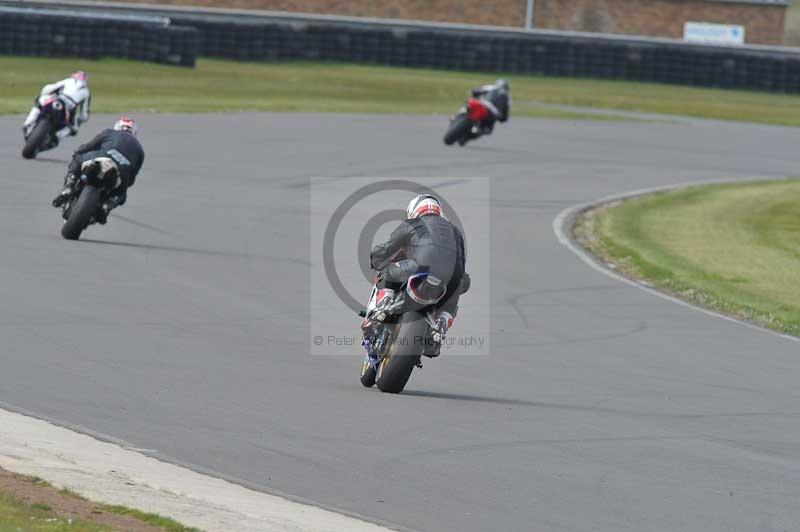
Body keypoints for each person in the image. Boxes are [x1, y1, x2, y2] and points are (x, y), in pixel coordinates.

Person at [363, 194, 469, 357]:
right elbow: (461, 263)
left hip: (421, 267)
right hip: (453, 275)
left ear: (414, 210)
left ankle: (383, 307)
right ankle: (440, 326)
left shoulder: (411, 224)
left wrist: (375, 258)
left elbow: (387, 250)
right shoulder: (456, 231)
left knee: (387, 271)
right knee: (451, 302)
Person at [52, 117, 144, 224]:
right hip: (121, 172)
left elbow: (89, 146)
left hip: (99, 158)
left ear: (117, 126)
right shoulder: (139, 150)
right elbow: (132, 178)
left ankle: (69, 185)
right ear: (134, 132)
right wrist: (123, 186)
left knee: (78, 157)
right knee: (121, 195)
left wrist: (78, 151)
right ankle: (107, 205)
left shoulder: (109, 132)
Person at [23, 71, 91, 143]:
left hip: (57, 101)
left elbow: (48, 89)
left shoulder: (67, 81)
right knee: (74, 129)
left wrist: (45, 95)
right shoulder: (86, 91)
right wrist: (80, 120)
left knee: (39, 103)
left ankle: (28, 123)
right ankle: (57, 136)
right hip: (67, 107)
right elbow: (84, 114)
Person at [461, 78, 510, 145]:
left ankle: (460, 119)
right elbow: (505, 115)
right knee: (487, 130)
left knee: (468, 105)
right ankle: (468, 136)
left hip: (482, 105)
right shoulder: (507, 98)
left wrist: (475, 95)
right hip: (491, 113)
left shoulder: (491, 87)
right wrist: (501, 118)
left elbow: (475, 91)